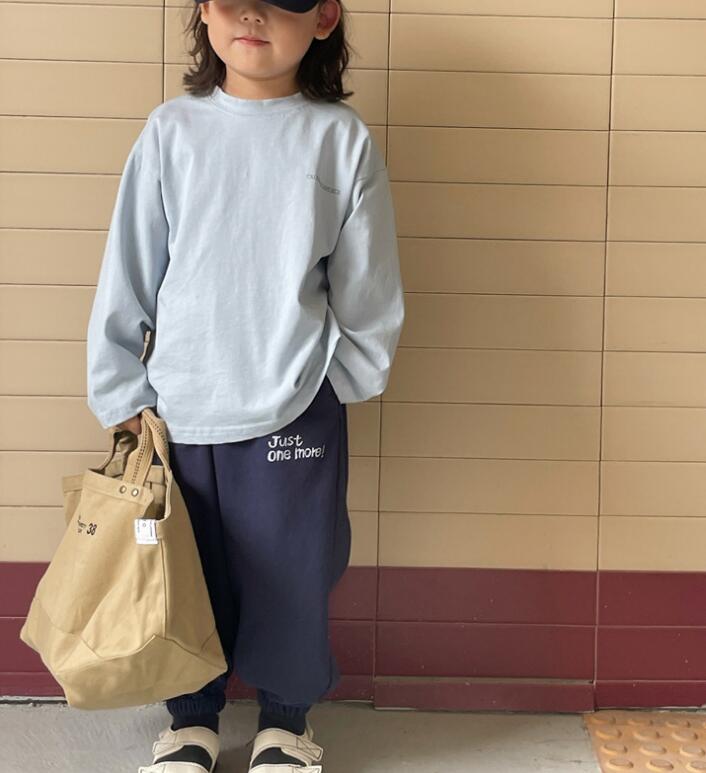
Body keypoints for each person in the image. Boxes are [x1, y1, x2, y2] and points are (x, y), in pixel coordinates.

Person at [85, 0, 405, 771]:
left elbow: (367, 282)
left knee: (291, 570)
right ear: (204, 10)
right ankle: (190, 720)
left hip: (294, 402)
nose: (254, 15)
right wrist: (120, 389)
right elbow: (129, 268)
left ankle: (285, 724)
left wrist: (339, 382)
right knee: (184, 570)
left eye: (280, 0)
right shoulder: (172, 132)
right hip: (179, 407)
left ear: (323, 18)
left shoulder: (339, 140)